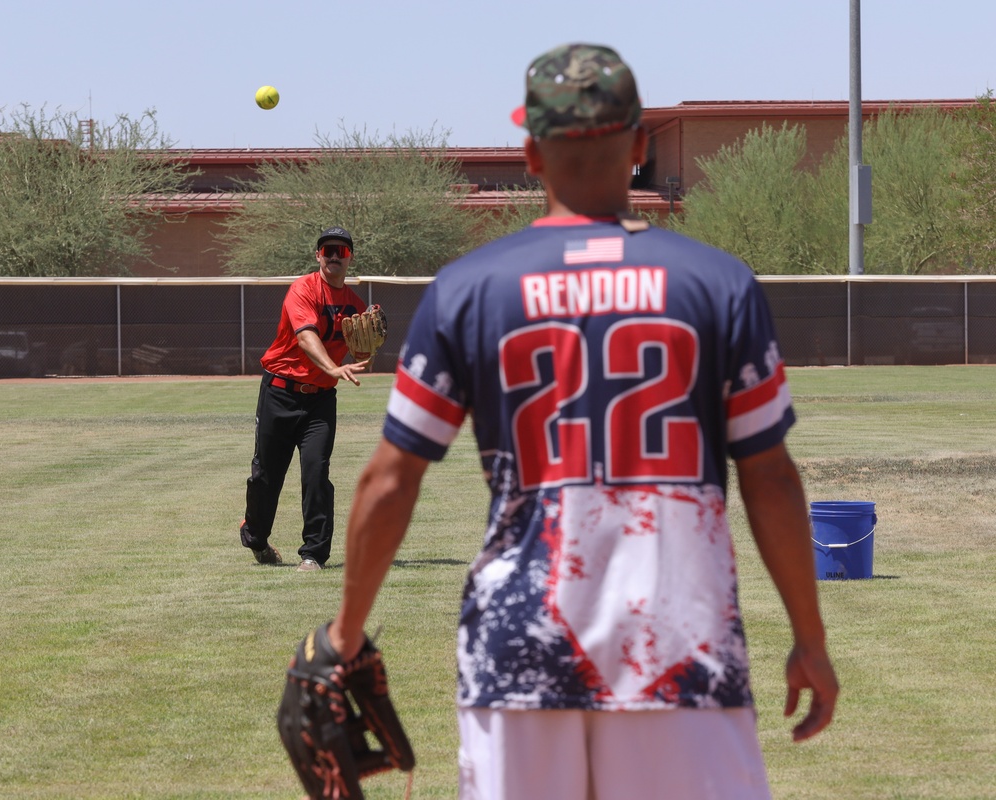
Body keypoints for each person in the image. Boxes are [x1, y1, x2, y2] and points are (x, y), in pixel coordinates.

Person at [325, 44, 838, 798]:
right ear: (638, 145)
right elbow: (770, 475)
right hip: (679, 647)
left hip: (521, 647)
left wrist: (345, 636)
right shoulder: (718, 284)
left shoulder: (467, 289)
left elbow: (390, 479)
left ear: (531, 152)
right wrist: (811, 638)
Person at [239, 226, 368, 573]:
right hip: (280, 394)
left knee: (316, 472)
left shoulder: (356, 307)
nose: (334, 256)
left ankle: (313, 554)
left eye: (341, 250)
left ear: (350, 257)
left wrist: (368, 349)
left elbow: (362, 350)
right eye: (327, 249)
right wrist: (332, 366)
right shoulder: (304, 289)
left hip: (320, 402)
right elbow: (307, 336)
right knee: (266, 477)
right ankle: (257, 539)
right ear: (318, 255)